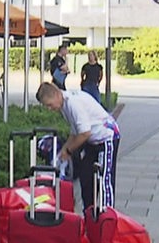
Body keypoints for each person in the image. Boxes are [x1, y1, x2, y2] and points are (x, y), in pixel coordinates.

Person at [36, 82, 121, 211]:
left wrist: (69, 150)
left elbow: (85, 133)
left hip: (106, 138)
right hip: (92, 142)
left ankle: (107, 215)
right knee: (86, 177)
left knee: (104, 178)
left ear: (56, 94)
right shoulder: (64, 105)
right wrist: (64, 149)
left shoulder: (73, 104)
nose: (49, 108)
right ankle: (88, 214)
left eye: (49, 104)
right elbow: (75, 132)